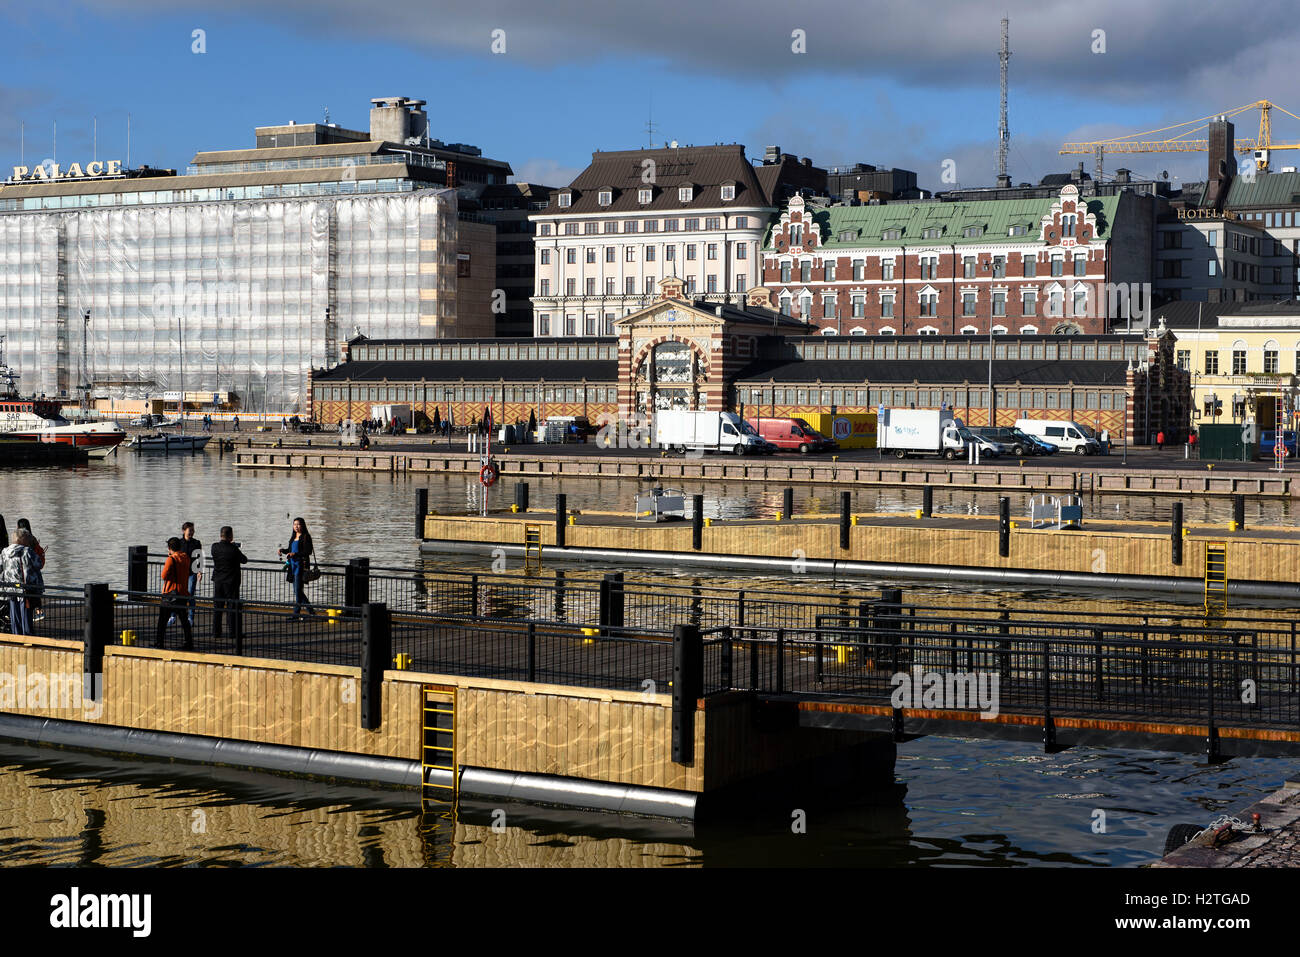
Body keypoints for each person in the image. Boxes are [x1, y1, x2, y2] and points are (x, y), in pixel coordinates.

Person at [210, 526, 248, 644]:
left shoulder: (214, 547)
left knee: (218, 607)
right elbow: (244, 560)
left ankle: (216, 632)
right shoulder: (233, 549)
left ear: (221, 535)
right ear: (231, 536)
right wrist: (234, 547)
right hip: (231, 582)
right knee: (232, 608)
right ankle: (233, 632)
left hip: (218, 581)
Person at [155, 537, 194, 649]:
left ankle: (160, 643)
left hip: (170, 593)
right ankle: (188, 642)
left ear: (169, 548)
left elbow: (164, 576)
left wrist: (170, 558)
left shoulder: (171, 559)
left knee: (162, 621)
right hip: (182, 592)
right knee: (184, 620)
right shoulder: (186, 557)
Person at [1, 530, 41, 636]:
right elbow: (38, 564)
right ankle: (28, 638)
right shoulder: (27, 551)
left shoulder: (5, 551)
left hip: (10, 588)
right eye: (27, 537)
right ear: (22, 539)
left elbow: (1, 568)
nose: (29, 540)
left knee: (15, 616)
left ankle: (16, 638)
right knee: (26, 616)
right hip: (26, 588)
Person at [278, 517, 316, 620]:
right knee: (297, 591)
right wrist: (283, 550)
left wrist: (295, 554)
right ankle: (311, 612)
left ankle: (296, 614)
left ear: (302, 525)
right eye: (294, 524)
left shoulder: (306, 537)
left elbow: (308, 552)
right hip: (292, 566)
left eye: (298, 524)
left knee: (298, 590)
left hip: (301, 566)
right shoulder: (293, 537)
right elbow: (290, 550)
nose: (296, 526)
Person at [16, 519, 45, 619]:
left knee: (26, 592)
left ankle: (28, 613)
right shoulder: (32, 538)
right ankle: (39, 611)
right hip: (35, 570)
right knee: (36, 592)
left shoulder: (20, 539)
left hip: (24, 571)